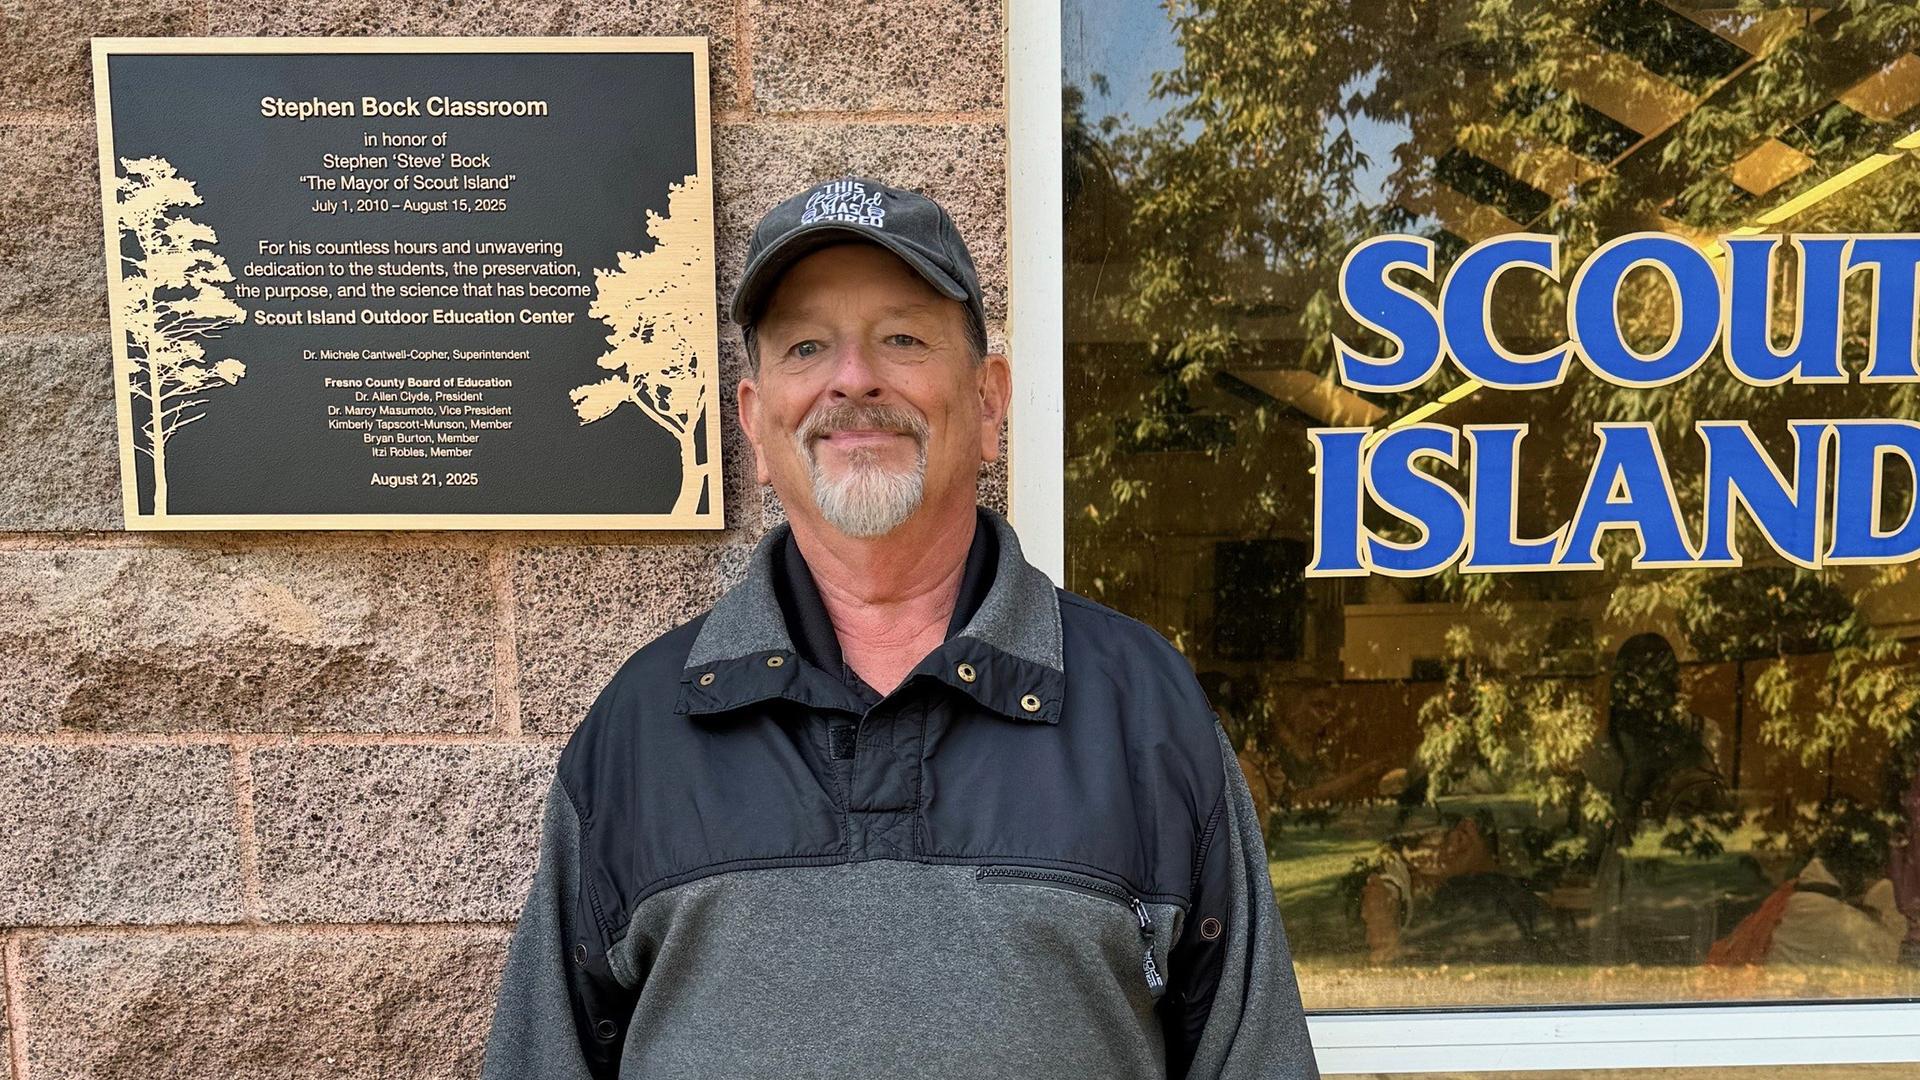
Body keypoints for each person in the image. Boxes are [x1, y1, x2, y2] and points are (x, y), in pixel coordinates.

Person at [479, 177, 1318, 1079]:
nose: (853, 377)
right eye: (807, 345)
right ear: (756, 422)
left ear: (989, 402)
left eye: (903, 338)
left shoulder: (1142, 710)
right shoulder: (642, 729)